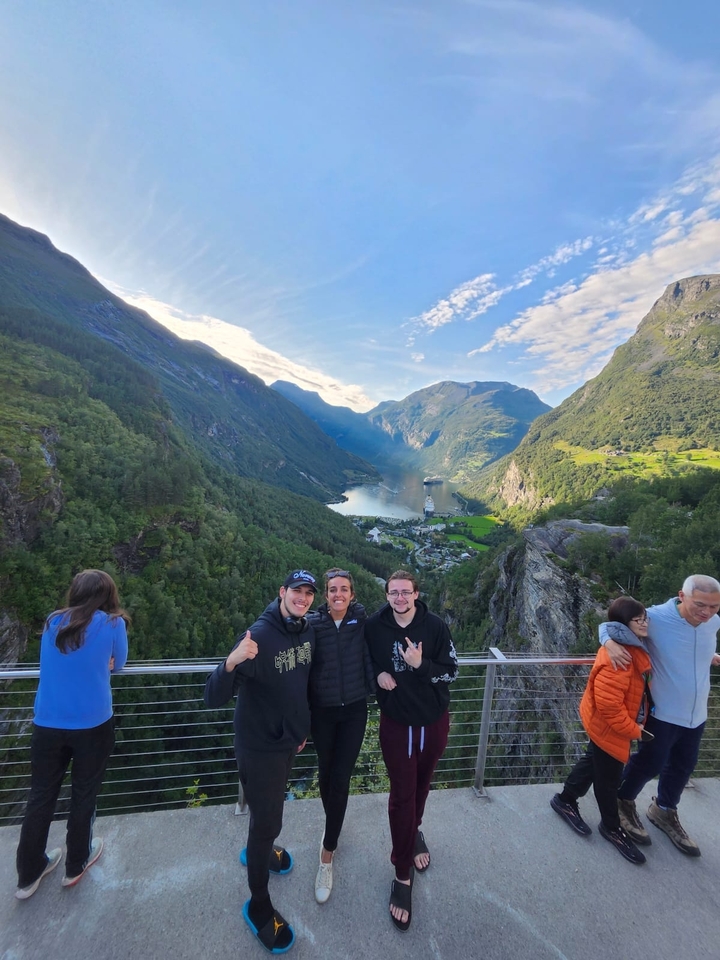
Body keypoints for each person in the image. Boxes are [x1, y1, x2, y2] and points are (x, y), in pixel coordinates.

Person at [204, 569, 317, 954]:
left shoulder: (306, 630)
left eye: (308, 594)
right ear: (281, 591)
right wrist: (231, 662)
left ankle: (263, 849)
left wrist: (300, 729)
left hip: (287, 743)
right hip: (258, 748)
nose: (302, 598)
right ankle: (258, 905)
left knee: (267, 815)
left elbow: (298, 685)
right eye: (296, 592)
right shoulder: (259, 635)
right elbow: (213, 696)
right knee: (269, 819)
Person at [15, 569, 129, 899]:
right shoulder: (112, 624)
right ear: (108, 596)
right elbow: (118, 664)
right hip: (92, 724)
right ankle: (75, 864)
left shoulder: (53, 621)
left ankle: (28, 873)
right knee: (83, 794)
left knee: (40, 795)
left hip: (47, 722)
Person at [365, 570, 458, 931]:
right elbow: (364, 659)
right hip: (398, 724)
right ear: (386, 595)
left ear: (416, 594)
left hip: (433, 721)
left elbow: (451, 671)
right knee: (402, 796)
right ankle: (401, 873)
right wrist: (376, 674)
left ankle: (414, 831)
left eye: (406, 592)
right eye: (394, 593)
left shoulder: (434, 627)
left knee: (422, 786)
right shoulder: (374, 626)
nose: (399, 598)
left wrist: (422, 666)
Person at [602, 574, 720, 856]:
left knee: (683, 765)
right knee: (649, 762)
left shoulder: (712, 622)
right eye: (700, 605)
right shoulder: (655, 618)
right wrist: (609, 643)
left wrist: (711, 656)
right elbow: (609, 625)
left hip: (696, 712)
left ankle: (664, 810)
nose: (706, 612)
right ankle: (623, 800)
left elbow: (694, 647)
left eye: (714, 607)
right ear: (682, 595)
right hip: (663, 710)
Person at [550, 597, 652, 865]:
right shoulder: (618, 657)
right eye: (638, 619)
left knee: (592, 762)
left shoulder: (627, 645)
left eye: (644, 618)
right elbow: (609, 708)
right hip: (611, 726)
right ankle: (612, 827)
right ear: (624, 625)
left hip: (606, 725)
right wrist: (635, 731)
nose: (644, 623)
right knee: (608, 781)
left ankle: (565, 800)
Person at [307, 568, 374, 904]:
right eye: (333, 589)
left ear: (352, 594)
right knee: (325, 771)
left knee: (342, 778)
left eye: (344, 589)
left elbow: (381, 645)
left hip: (353, 711)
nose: (338, 595)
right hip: (322, 711)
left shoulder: (360, 620)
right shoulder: (313, 624)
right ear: (326, 594)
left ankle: (327, 854)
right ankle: (333, 823)